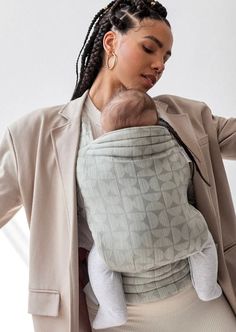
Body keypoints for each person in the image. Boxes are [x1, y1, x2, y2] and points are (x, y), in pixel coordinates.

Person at [0, 1, 236, 331]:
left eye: (166, 57)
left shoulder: (187, 117)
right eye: (149, 48)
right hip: (114, 315)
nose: (159, 64)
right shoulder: (36, 134)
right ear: (111, 42)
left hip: (198, 299)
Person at [77, 88, 222, 329]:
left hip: (122, 247)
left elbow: (91, 200)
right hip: (180, 234)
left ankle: (113, 311)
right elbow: (185, 179)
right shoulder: (173, 146)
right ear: (155, 122)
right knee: (204, 243)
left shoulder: (89, 160)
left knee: (100, 262)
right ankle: (207, 288)